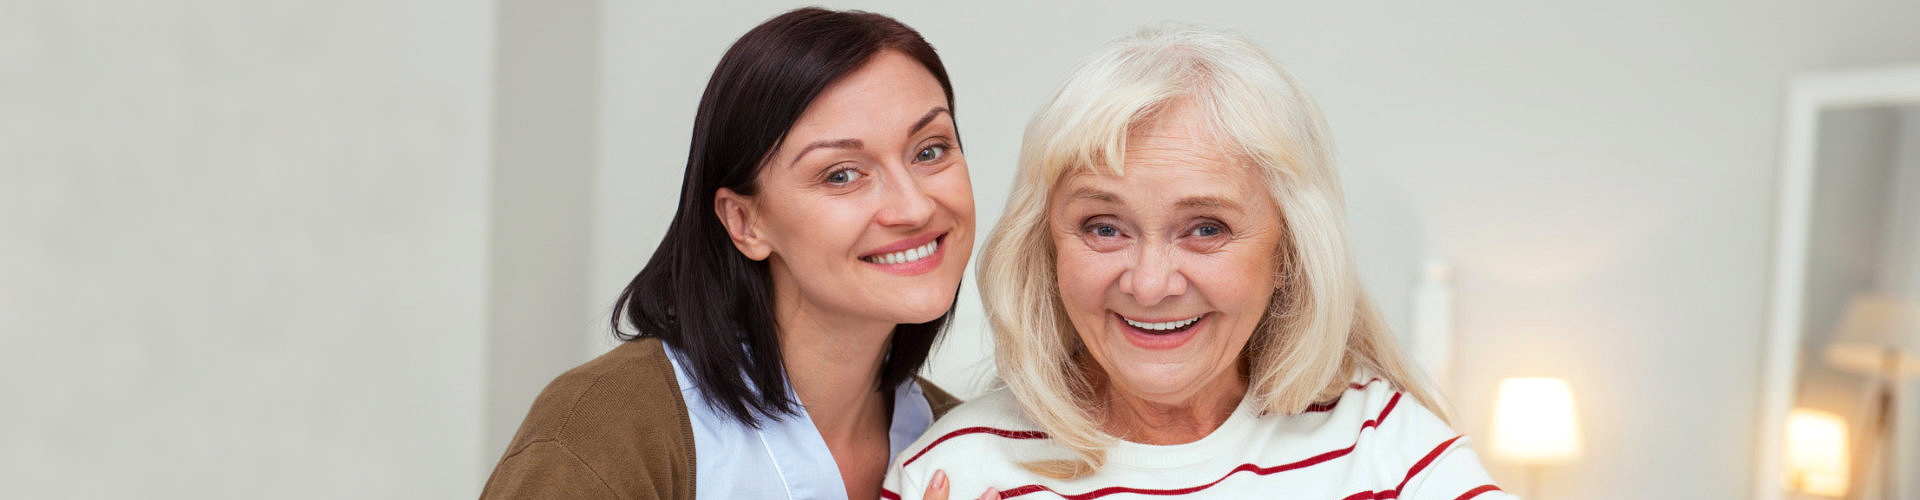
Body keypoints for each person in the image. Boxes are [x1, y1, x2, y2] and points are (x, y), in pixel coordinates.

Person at [885, 26, 1512, 499]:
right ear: (1048, 250)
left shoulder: (1385, 446)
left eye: (1206, 228)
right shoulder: (952, 470)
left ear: (1288, 253)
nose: (1151, 284)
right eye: (1104, 227)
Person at [482, 8, 976, 500]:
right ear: (744, 222)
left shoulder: (977, 447)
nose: (913, 208)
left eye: (929, 150)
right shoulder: (605, 432)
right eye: (841, 174)